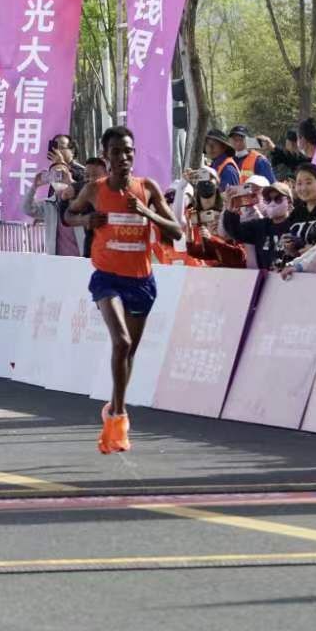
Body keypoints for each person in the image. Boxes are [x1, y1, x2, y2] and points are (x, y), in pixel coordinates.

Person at [64, 125, 182, 454]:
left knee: (128, 353)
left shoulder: (147, 188)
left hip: (141, 281)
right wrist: (85, 222)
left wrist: (147, 212)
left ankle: (115, 409)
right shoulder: (94, 189)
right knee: (122, 341)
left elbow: (176, 232)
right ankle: (118, 416)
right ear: (107, 156)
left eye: (128, 151)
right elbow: (68, 215)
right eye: (116, 151)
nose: (123, 157)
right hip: (107, 278)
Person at [22, 133, 85, 256]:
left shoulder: (82, 171)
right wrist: (34, 186)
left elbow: (87, 196)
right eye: (55, 147)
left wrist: (63, 168)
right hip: (57, 258)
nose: (57, 151)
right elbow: (29, 207)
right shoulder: (51, 203)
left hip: (81, 256)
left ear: (72, 151)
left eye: (61, 147)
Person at [223, 179, 302, 268]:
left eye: (278, 199)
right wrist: (231, 213)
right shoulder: (260, 226)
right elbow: (236, 232)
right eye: (268, 200)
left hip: (293, 274)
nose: (272, 203)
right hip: (266, 275)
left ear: (289, 202)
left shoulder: (298, 226)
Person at [285, 163, 316, 254]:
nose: (303, 188)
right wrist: (290, 248)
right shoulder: (296, 212)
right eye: (299, 183)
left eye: (308, 183)